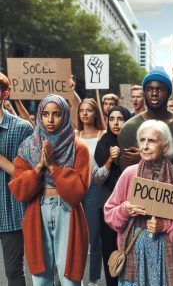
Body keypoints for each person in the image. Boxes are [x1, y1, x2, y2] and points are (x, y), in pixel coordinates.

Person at [104, 119, 173, 286]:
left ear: (165, 146)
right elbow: (109, 212)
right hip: (135, 253)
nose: (145, 146)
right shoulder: (129, 174)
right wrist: (124, 210)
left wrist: (165, 226)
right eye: (142, 140)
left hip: (168, 252)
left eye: (152, 141)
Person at [9, 94, 90, 285]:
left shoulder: (78, 148)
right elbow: (19, 191)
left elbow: (77, 193)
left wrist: (53, 167)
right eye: (45, 114)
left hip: (68, 211)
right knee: (41, 279)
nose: (50, 120)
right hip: (38, 210)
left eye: (56, 114)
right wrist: (38, 167)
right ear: (39, 116)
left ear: (65, 115)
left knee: (69, 279)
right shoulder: (28, 147)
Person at [118, 66, 173, 172]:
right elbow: (128, 176)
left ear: (169, 93)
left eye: (160, 89)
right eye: (149, 89)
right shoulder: (128, 129)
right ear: (144, 93)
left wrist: (143, 160)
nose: (154, 94)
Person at [0, 72, 34, 286]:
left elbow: (29, 176)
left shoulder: (22, 128)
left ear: (5, 94)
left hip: (10, 210)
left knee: (14, 272)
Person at [93, 105, 131, 286]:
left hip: (130, 206)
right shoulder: (103, 143)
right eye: (112, 119)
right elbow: (98, 179)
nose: (116, 123)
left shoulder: (135, 142)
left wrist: (122, 158)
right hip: (107, 206)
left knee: (130, 250)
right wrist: (109, 160)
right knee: (110, 250)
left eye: (120, 119)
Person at [75, 98, 106, 286]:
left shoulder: (103, 134)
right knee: (76, 237)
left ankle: (93, 279)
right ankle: (73, 276)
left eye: (89, 110)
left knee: (94, 237)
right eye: (82, 110)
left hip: (95, 188)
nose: (85, 113)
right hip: (75, 187)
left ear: (96, 113)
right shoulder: (74, 134)